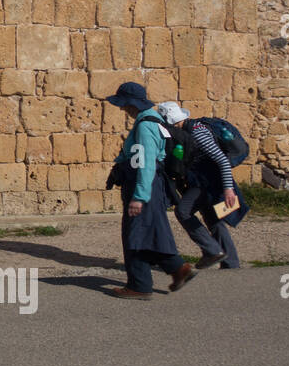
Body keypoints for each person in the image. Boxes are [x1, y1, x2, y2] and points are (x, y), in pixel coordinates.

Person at [103, 82, 197, 299]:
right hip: (149, 186)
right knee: (148, 232)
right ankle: (179, 269)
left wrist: (140, 196)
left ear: (131, 104)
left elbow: (145, 161)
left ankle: (140, 286)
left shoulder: (145, 125)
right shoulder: (152, 120)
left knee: (135, 235)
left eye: (123, 104)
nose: (122, 109)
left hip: (144, 186)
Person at [155, 101, 244, 270]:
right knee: (213, 218)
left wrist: (228, 189)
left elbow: (222, 161)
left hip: (209, 183)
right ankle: (231, 264)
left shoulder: (197, 132)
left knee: (183, 211)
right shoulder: (187, 130)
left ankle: (212, 251)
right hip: (205, 182)